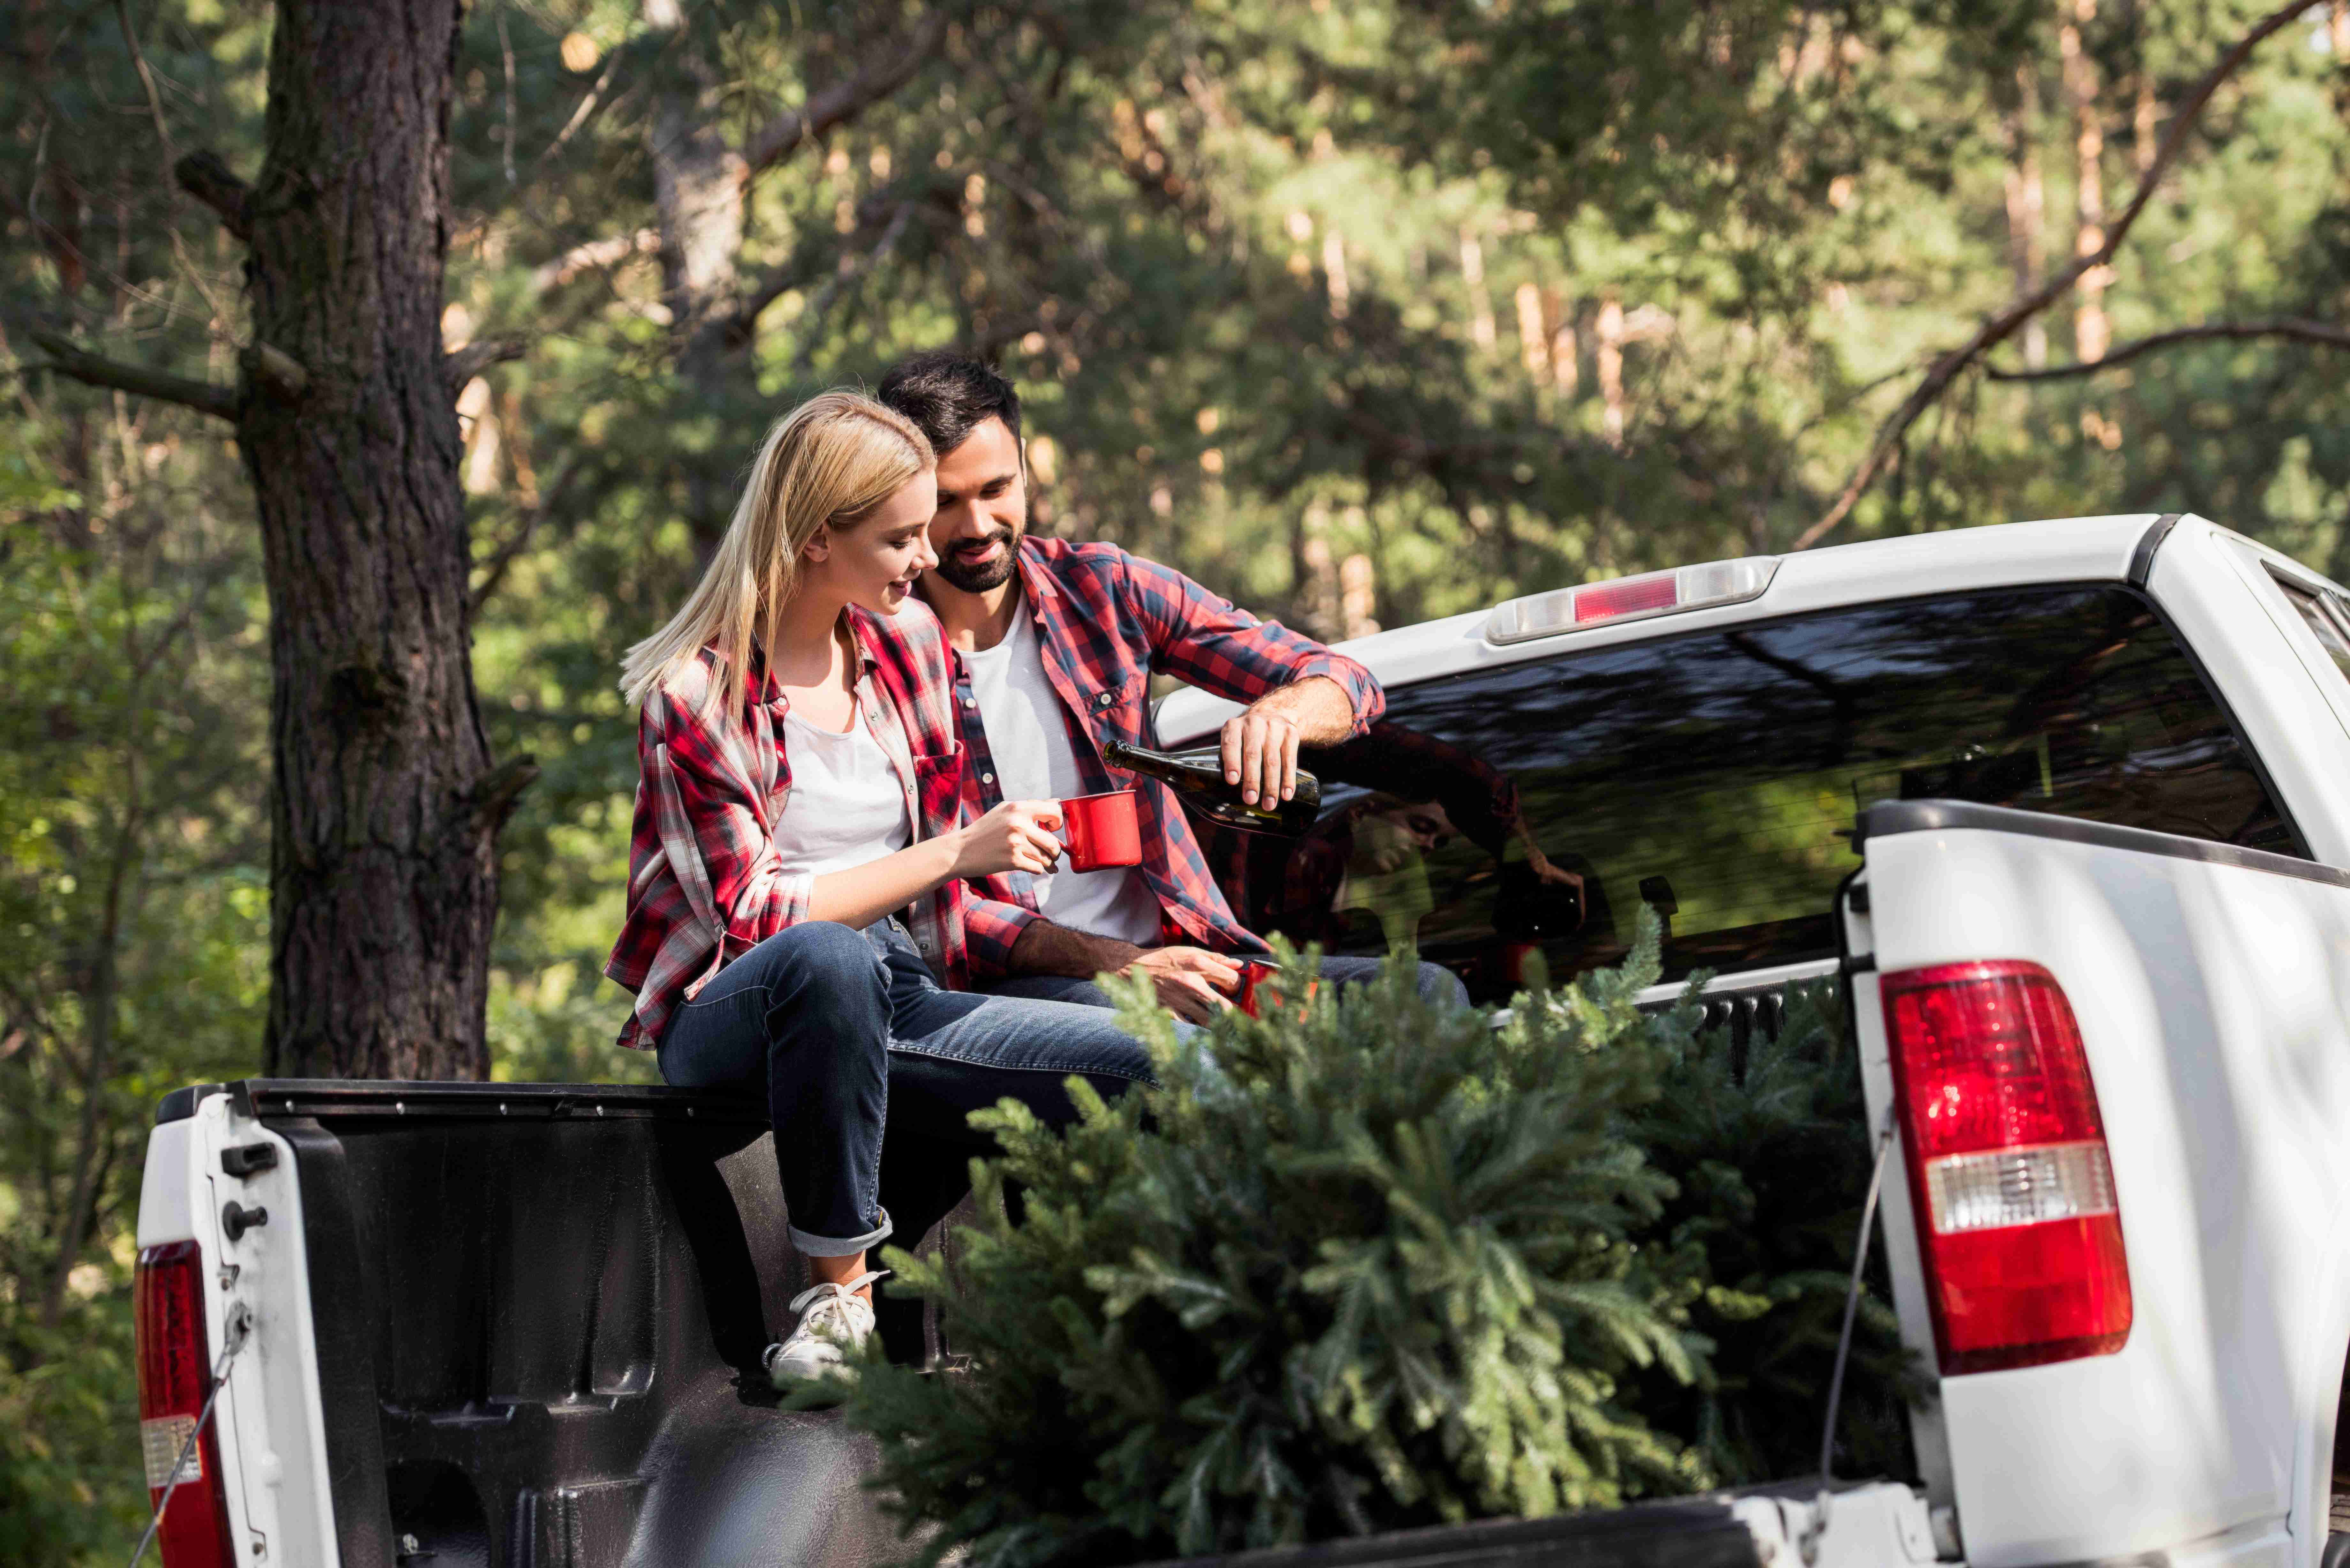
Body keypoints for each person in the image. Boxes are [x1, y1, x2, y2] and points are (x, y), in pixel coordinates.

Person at [602, 392, 1180, 1397]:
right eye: (900, 537)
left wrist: (1090, 951)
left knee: (1146, 1051)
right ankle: (838, 1303)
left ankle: (1136, 1329)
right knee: (825, 959)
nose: (926, 557)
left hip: (896, 990)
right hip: (736, 1008)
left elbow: (945, 902)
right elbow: (753, 918)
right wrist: (956, 853)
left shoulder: (907, 645)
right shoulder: (693, 698)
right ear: (817, 538)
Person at [876, 351, 1467, 1017]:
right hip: (1026, 989)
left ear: (1024, 472)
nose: (978, 527)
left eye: (995, 490)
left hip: (1190, 955)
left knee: (1427, 994)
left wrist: (1284, 715)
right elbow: (926, 901)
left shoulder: (1101, 589)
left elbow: (1346, 680)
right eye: (946, 502)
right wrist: (1121, 967)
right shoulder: (871, 654)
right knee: (1159, 1048)